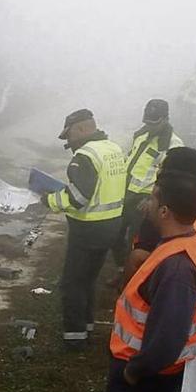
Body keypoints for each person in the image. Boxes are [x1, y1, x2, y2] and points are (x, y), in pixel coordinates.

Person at [102, 171, 196, 392]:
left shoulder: (177, 269)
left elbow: (168, 338)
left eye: (153, 199)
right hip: (147, 370)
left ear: (164, 212)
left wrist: (133, 371)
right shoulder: (188, 243)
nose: (147, 203)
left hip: (143, 377)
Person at [44, 109, 127, 349]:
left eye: (68, 135)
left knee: (72, 284)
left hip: (88, 229)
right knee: (88, 279)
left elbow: (78, 198)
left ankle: (74, 337)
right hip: (111, 225)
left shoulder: (84, 156)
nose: (68, 141)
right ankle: (87, 325)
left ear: (80, 129)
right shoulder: (111, 148)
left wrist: (49, 200)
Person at [122, 147, 196, 286]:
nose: (158, 170)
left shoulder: (163, 215)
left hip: (159, 296)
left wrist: (125, 288)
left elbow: (138, 259)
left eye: (161, 167)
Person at [111, 100, 184, 278]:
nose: (150, 127)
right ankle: (121, 268)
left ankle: (132, 278)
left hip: (146, 199)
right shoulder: (141, 135)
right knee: (115, 233)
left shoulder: (174, 146)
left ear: (165, 119)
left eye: (155, 123)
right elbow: (129, 160)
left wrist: (152, 200)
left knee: (136, 241)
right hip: (126, 193)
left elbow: (170, 180)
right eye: (148, 123)